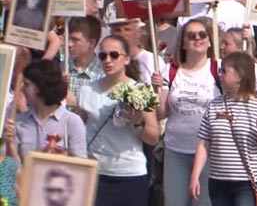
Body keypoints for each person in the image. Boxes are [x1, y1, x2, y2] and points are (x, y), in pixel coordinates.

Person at [77, 35, 160, 206]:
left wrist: (137, 122)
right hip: (95, 173)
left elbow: (153, 137)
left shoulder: (140, 90)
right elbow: (77, 130)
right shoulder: (86, 90)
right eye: (102, 56)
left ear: (126, 59)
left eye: (114, 55)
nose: (108, 60)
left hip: (129, 174)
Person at [190, 52, 257, 204]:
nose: (220, 74)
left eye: (224, 71)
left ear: (239, 75)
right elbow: (204, 143)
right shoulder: (215, 105)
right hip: (218, 180)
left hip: (247, 182)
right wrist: (195, 176)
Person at [150, 19, 219, 206]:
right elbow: (161, 113)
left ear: (210, 41)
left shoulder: (218, 69)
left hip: (209, 152)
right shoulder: (171, 71)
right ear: (183, 43)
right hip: (176, 150)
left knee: (204, 203)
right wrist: (156, 92)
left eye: (202, 35)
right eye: (191, 35)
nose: (197, 38)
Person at [13, 60, 87, 159]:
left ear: (40, 87)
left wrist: (64, 158)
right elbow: (8, 167)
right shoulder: (19, 121)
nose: (22, 89)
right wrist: (9, 144)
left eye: (27, 84)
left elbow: (81, 166)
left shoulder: (72, 122)